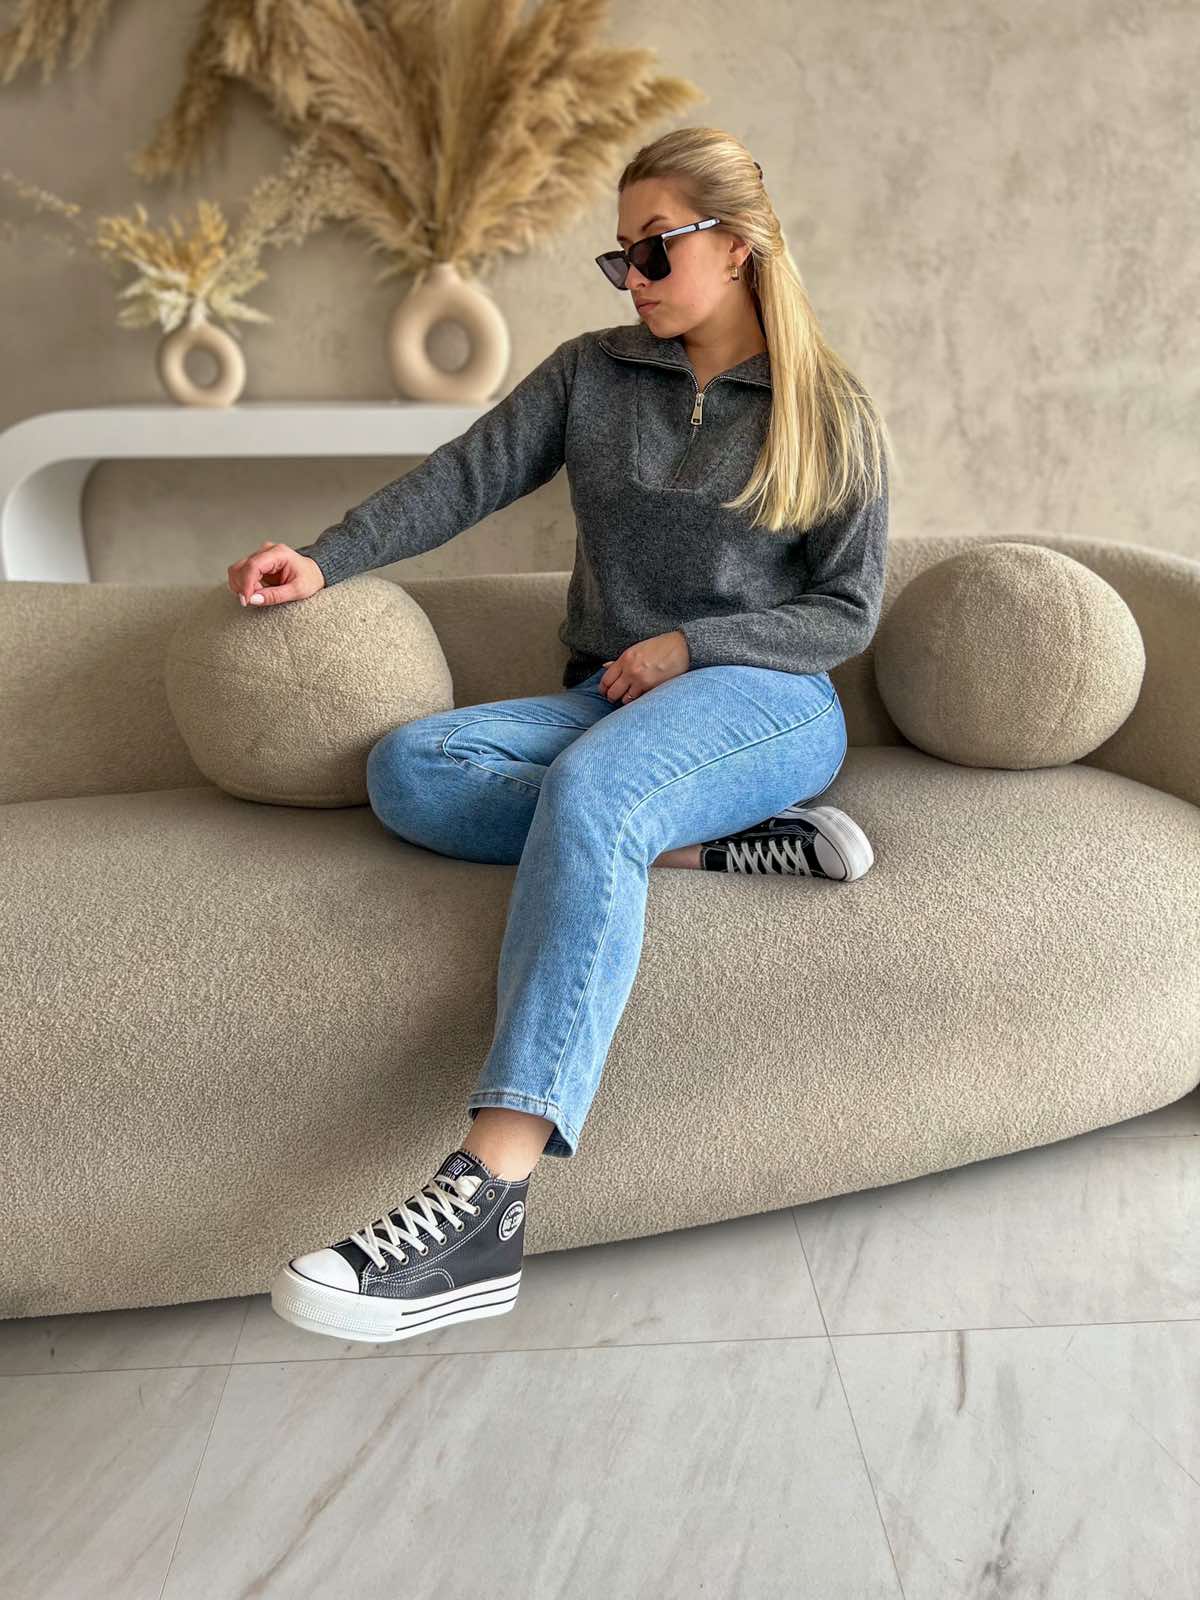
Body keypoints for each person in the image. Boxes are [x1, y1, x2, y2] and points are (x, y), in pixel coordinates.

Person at [227, 126, 895, 1347]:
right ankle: (701, 845)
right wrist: (323, 558)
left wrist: (690, 646)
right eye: (620, 255)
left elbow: (846, 611)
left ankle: (489, 1198)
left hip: (768, 702)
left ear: (737, 246)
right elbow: (461, 476)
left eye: (655, 249)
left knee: (592, 793)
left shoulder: (827, 407)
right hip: (610, 705)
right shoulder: (595, 375)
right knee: (410, 768)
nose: (633, 277)